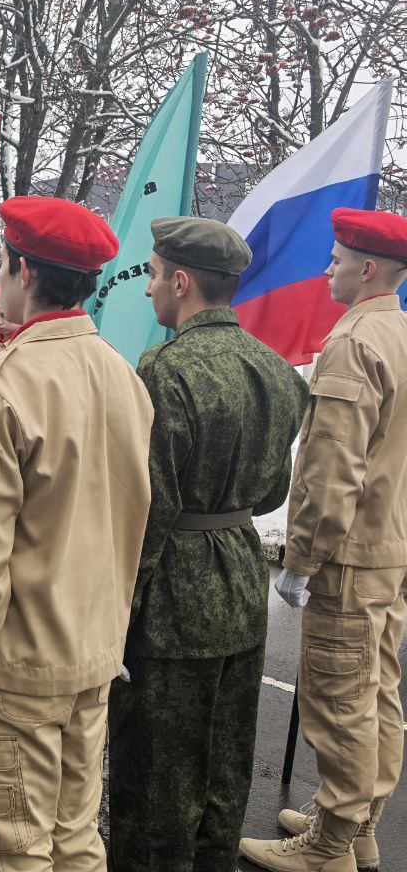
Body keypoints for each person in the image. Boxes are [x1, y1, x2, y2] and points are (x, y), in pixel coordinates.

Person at [0, 196, 153, 871]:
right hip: (93, 653)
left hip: (19, 669)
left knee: (17, 850)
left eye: (5, 266)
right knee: (75, 839)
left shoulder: (2, 386)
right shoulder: (121, 373)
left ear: (23, 271)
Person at [109, 218, 309, 872]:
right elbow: (273, 492)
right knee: (225, 768)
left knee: (156, 779)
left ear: (183, 280)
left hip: (173, 599)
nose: (148, 291)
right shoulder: (280, 374)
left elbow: (151, 509)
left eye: (154, 275)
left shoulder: (164, 370)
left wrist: (118, 617)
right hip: (242, 583)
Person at [240, 208, 407, 872]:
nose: (326, 268)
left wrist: (302, 557)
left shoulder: (354, 342)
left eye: (335, 260)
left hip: (350, 553)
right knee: (378, 691)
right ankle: (359, 824)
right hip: (390, 545)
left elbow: (334, 466)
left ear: (367, 269)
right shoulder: (398, 331)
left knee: (340, 697)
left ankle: (329, 846)